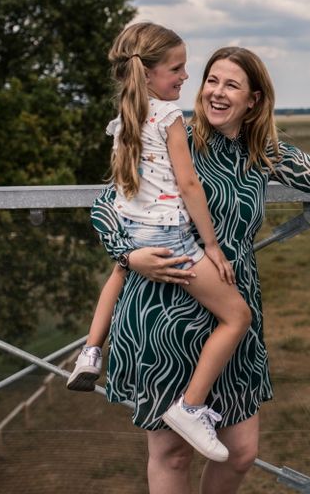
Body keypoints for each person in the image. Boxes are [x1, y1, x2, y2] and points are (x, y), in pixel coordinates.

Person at [91, 45, 310, 493]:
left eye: (231, 85)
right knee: (172, 453)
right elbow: (107, 205)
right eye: (211, 81)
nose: (216, 93)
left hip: (234, 314)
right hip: (166, 311)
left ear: (253, 100)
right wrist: (128, 255)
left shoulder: (260, 150)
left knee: (241, 452)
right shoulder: (172, 135)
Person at [68, 23, 250, 463]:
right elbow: (188, 183)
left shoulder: (125, 120)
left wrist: (130, 245)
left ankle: (91, 351)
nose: (186, 76)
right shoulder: (169, 117)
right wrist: (210, 245)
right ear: (148, 74)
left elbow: (122, 186)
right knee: (237, 316)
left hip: (135, 234)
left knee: (119, 271)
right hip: (172, 239)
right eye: (177, 68)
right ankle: (190, 406)